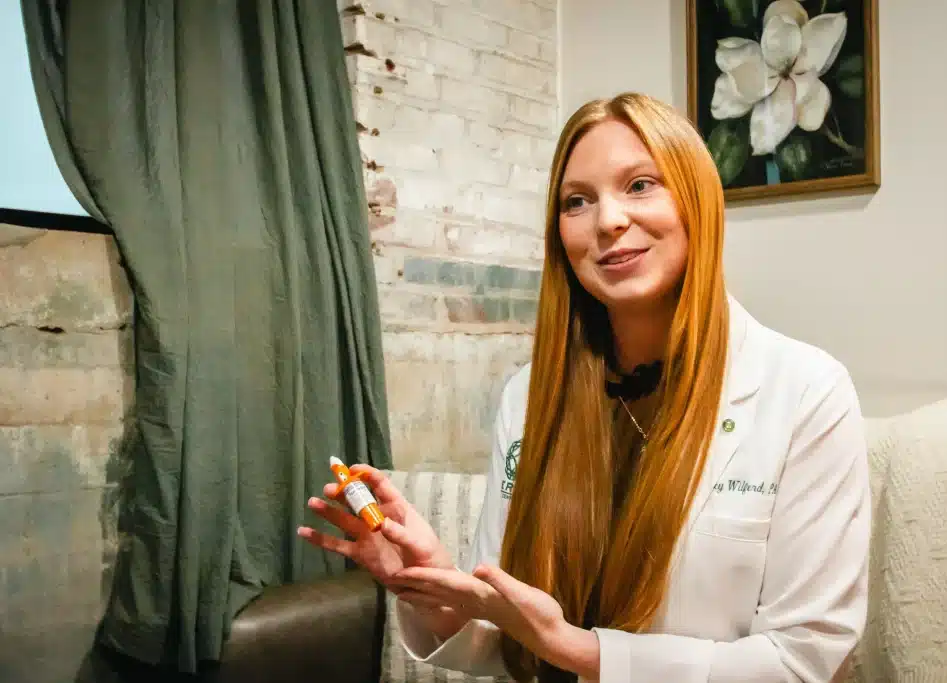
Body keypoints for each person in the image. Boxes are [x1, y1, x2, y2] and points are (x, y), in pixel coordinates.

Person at [297, 92, 871, 683]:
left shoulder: (807, 393)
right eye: (577, 201)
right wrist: (432, 583)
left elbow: (803, 660)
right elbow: (508, 640)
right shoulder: (528, 397)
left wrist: (577, 649)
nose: (608, 221)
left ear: (697, 201)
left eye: (640, 185)